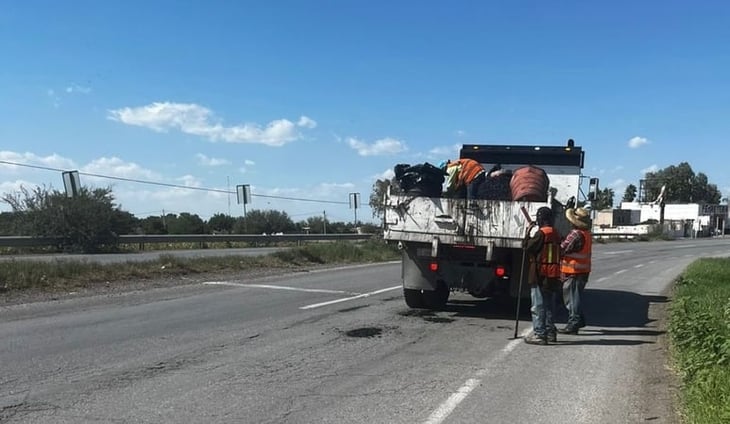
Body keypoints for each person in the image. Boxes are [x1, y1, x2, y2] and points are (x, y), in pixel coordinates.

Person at [523, 207, 562, 345]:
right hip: (553, 274)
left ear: (541, 219)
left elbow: (527, 247)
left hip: (540, 274)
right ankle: (551, 332)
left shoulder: (541, 234)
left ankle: (539, 334)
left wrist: (528, 232)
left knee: (538, 306)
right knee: (549, 305)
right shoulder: (556, 233)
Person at [559, 207, 592, 334]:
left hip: (573, 271)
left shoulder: (576, 234)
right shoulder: (586, 234)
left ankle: (574, 323)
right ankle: (579, 319)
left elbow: (563, 248)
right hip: (583, 270)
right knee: (576, 297)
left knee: (571, 298)